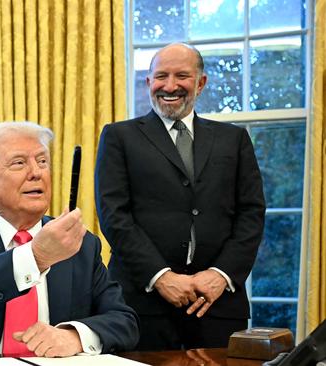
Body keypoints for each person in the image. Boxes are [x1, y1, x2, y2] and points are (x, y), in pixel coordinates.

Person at [94, 43, 266, 351]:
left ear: (200, 83)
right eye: (161, 76)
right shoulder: (119, 137)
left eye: (182, 76)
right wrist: (161, 277)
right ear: (149, 83)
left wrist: (220, 275)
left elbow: (251, 214)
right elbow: (114, 216)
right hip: (142, 306)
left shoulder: (234, 139)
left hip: (219, 306)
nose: (170, 86)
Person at [0, 121, 139, 357]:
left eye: (42, 161)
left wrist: (74, 336)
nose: (37, 173)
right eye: (19, 163)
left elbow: (124, 322)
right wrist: (35, 258)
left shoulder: (79, 243)